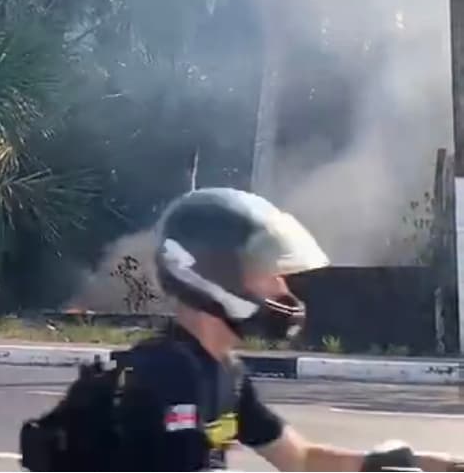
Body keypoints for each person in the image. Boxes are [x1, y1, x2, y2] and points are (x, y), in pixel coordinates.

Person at [114, 187, 464, 472]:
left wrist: (435, 466)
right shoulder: (158, 376)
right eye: (265, 270)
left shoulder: (225, 373)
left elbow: (301, 459)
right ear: (210, 275)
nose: (282, 286)